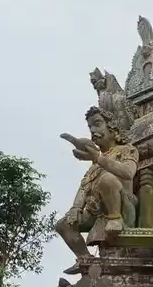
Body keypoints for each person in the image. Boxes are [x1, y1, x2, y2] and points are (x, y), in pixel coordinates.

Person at [56, 107, 139, 274]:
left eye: (97, 124)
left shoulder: (127, 150)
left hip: (121, 208)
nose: (93, 130)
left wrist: (99, 159)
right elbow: (85, 186)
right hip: (96, 211)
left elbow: (128, 173)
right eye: (90, 127)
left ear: (112, 128)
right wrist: (76, 208)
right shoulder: (95, 163)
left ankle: (114, 218)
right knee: (63, 225)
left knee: (106, 179)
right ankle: (85, 260)